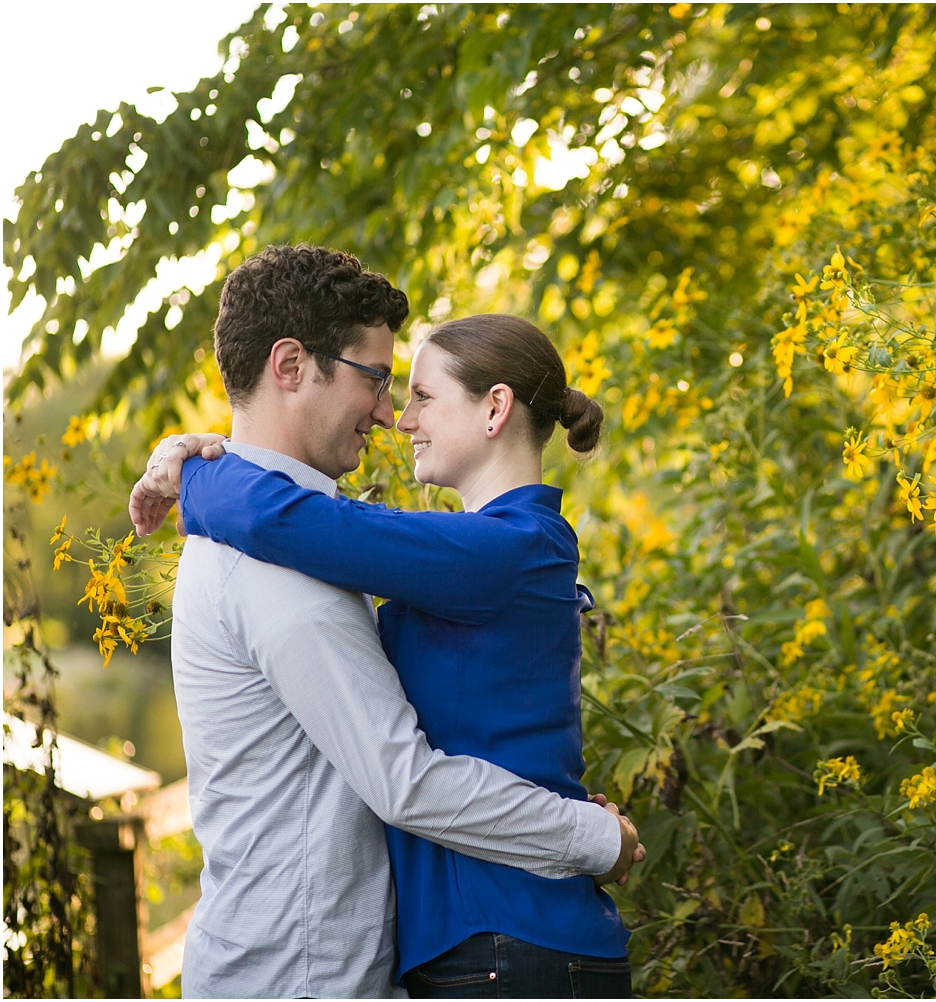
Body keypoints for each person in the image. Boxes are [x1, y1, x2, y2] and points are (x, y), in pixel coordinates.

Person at [129, 246, 642, 998]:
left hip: (488, 942)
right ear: (292, 365)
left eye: (416, 397)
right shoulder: (282, 559)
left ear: (495, 408)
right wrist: (593, 835)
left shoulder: (481, 547)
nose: (392, 415)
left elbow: (301, 521)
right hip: (308, 976)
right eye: (378, 380)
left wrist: (196, 468)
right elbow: (406, 781)